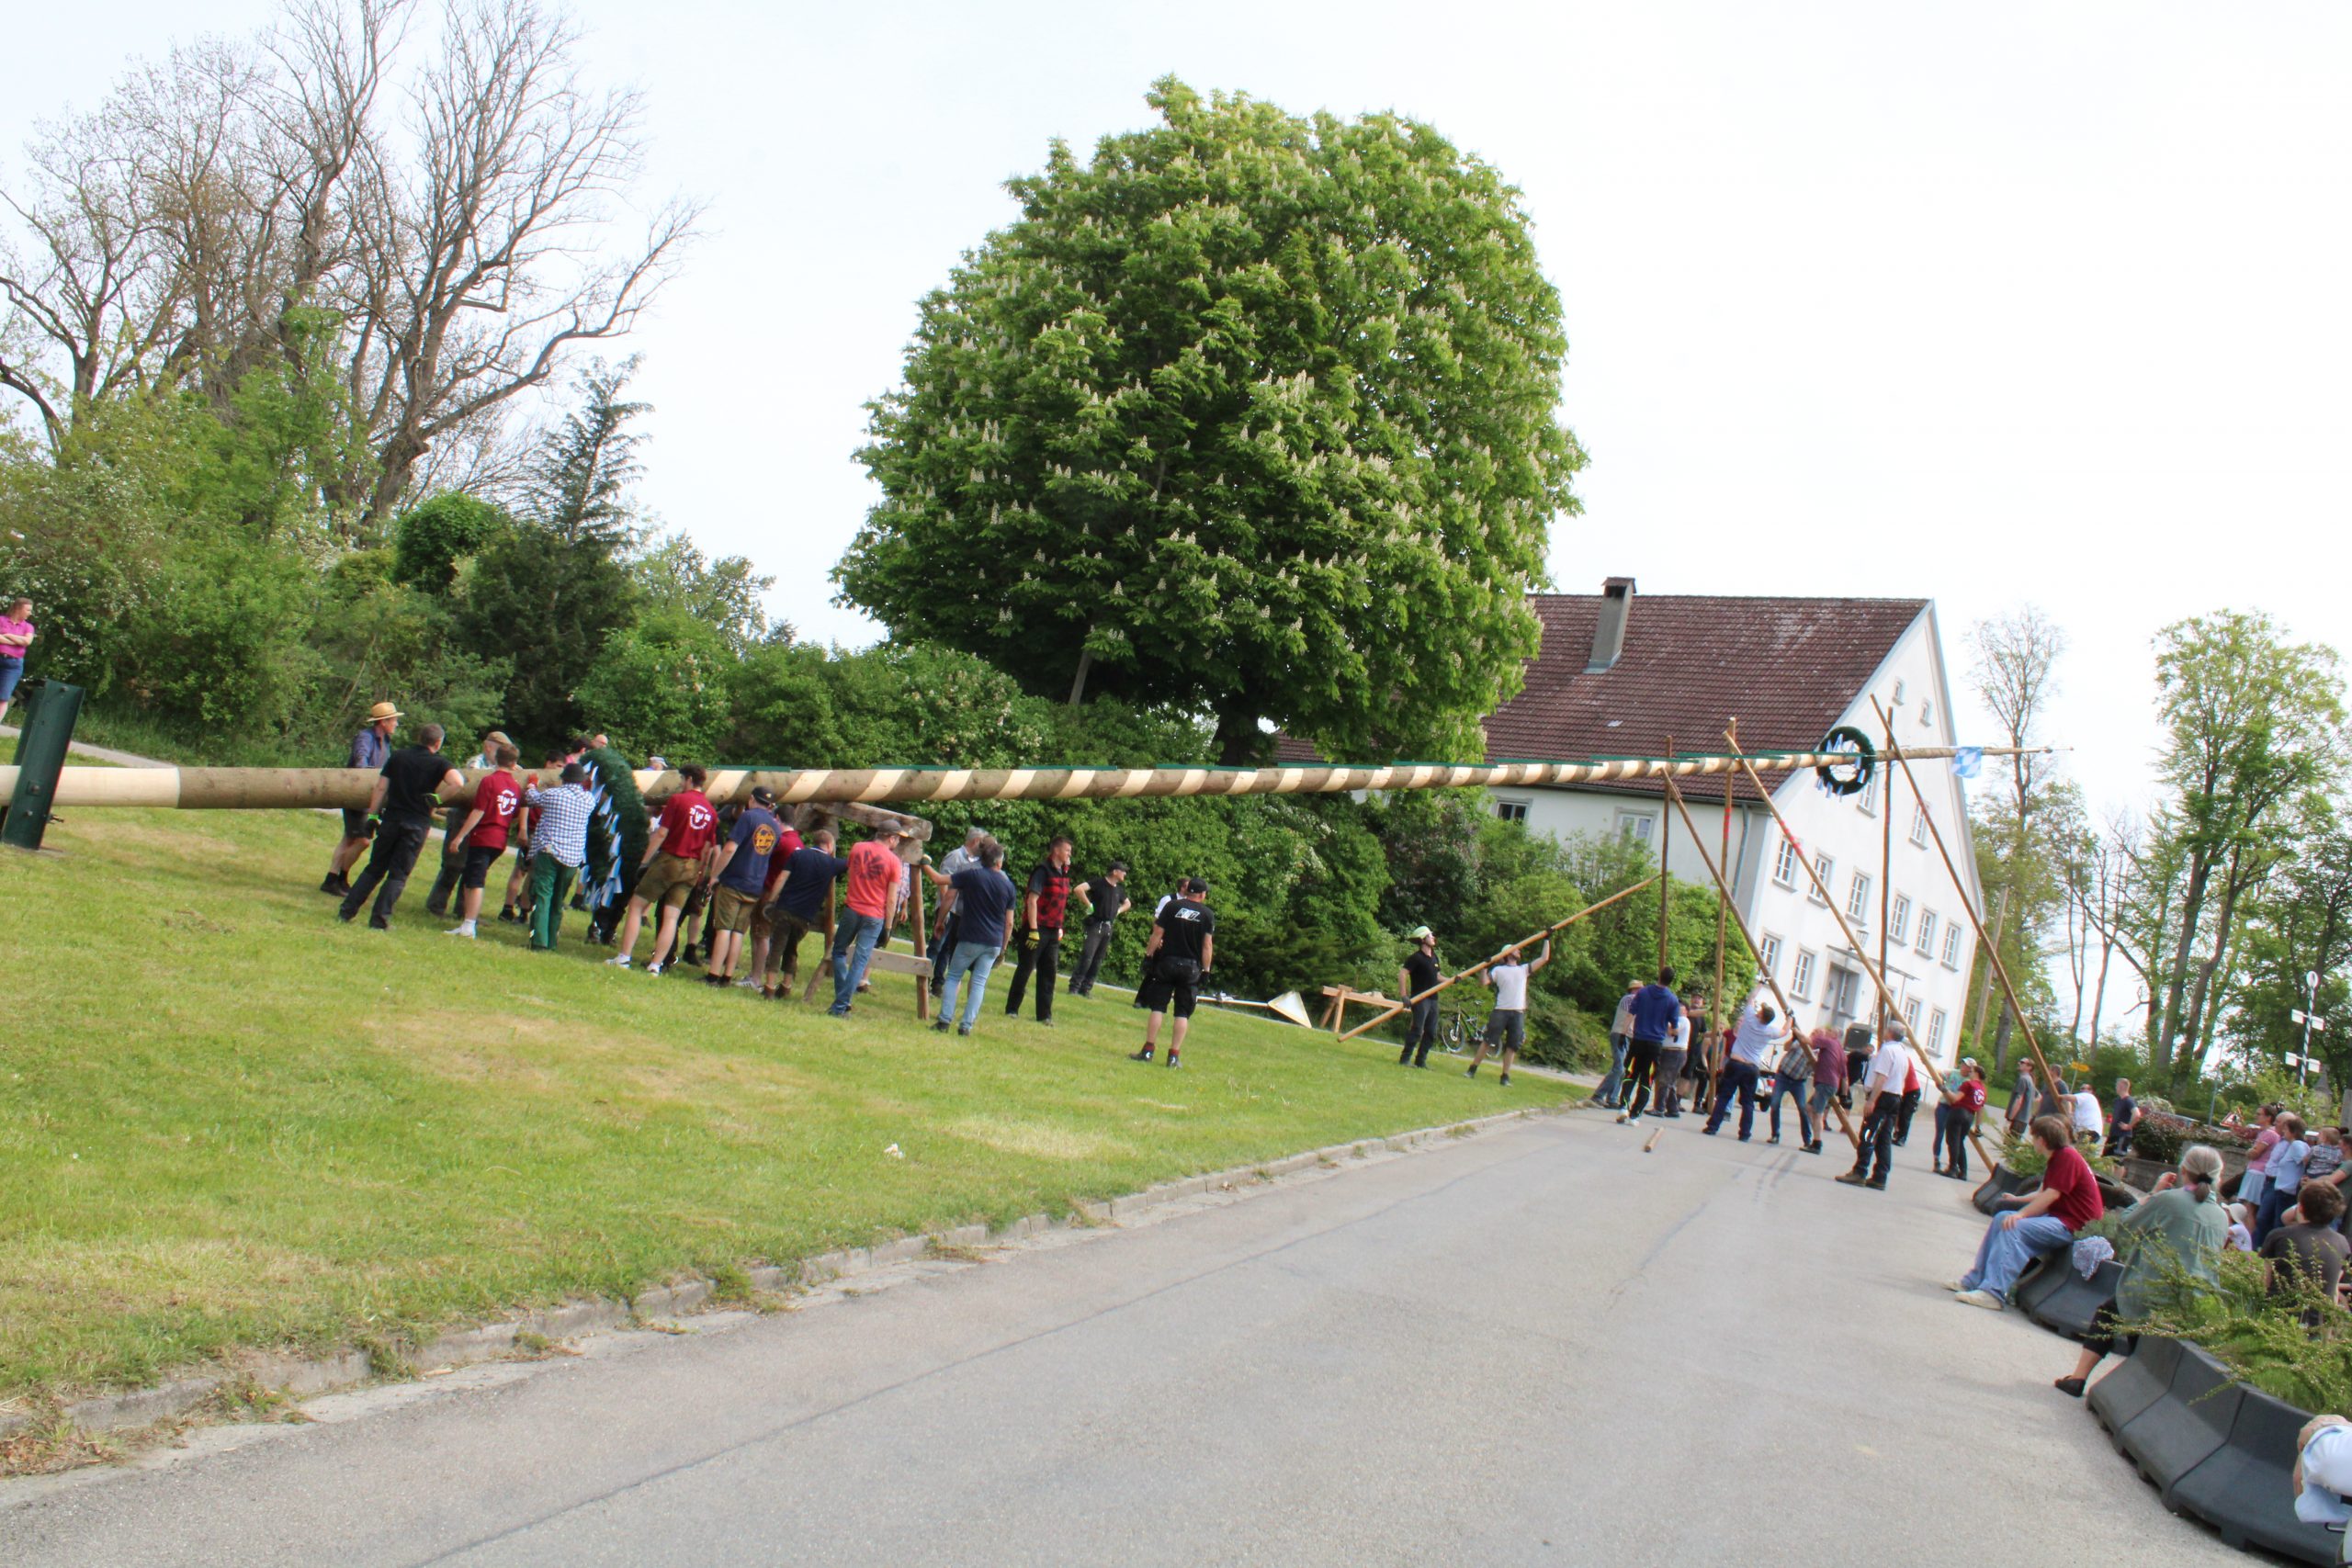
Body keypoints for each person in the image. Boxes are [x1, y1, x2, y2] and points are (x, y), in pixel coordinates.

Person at [2053, 1145, 2228, 1398]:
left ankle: (2078, 1378)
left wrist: (2153, 1193)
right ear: (2218, 1176)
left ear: (2183, 1170)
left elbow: (2126, 1223)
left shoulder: (2168, 1200)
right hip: (2195, 1300)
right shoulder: (2221, 1216)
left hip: (2151, 1291)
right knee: (2129, 1325)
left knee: (2110, 1314)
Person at [1948, 1114, 2105, 1309]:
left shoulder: (2067, 1158)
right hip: (2062, 1219)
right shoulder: (2060, 1157)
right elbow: (2044, 1193)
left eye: (2034, 1137)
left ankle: (1993, 1292)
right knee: (2002, 1218)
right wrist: (2017, 1201)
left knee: (2014, 1227)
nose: (2032, 1141)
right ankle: (1975, 1280)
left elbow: (2051, 1196)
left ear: (2042, 1140)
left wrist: (2021, 1215)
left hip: (2072, 1226)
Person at [336, 723, 463, 930]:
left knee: (374, 868)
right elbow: (458, 782)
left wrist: (372, 816)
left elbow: (381, 788)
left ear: (420, 738)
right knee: (398, 875)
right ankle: (379, 920)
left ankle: (346, 911)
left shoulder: (398, 756)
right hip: (416, 824)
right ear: (438, 742)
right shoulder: (440, 763)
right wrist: (438, 799)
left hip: (392, 819)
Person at [607, 764, 718, 974]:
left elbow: (661, 834)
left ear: (688, 779)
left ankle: (624, 957)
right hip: (692, 865)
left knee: (636, 905)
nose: (680, 783)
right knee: (672, 917)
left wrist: (644, 862)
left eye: (681, 779)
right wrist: (700, 872)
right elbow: (708, 848)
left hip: (670, 860)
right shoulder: (711, 811)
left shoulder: (677, 800)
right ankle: (656, 965)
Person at [926, 837, 1016, 1035]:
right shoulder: (1008, 886)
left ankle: (944, 1021)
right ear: (999, 862)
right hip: (993, 941)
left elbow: (939, 881)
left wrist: (923, 863)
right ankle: (966, 1026)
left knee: (953, 977)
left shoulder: (972, 875)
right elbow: (1009, 922)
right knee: (979, 983)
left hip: (970, 936)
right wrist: (1003, 947)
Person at [425, 730, 515, 919]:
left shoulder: (502, 768)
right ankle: (436, 905)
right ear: (489, 747)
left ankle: (463, 910)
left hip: (481, 822)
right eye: (500, 749)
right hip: (462, 817)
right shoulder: (476, 763)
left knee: (471, 866)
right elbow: (476, 783)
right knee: (453, 864)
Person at [702, 786, 785, 987]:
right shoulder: (775, 827)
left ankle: (713, 974)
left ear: (751, 799)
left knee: (724, 928)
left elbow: (730, 848)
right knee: (738, 932)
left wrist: (715, 875)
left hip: (735, 880)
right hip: (755, 885)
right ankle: (727, 976)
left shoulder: (748, 817)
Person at [1003, 835, 1090, 1026]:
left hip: (1053, 929)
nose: (1070, 854)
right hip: (1037, 927)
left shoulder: (1063, 873)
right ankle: (1012, 1009)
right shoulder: (1042, 871)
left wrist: (1059, 927)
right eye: (1067, 850)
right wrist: (1033, 929)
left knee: (1049, 972)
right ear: (1056, 850)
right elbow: (1032, 900)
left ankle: (1044, 1015)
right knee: (1026, 968)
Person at [439, 742, 523, 939]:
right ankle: (466, 922)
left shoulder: (489, 781)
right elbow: (514, 814)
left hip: (484, 836)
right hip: (501, 838)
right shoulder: (515, 786)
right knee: (471, 878)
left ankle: (469, 925)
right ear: (514, 764)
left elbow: (479, 811)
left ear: (496, 759)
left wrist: (460, 836)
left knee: (475, 880)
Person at [1130, 877, 1215, 1067]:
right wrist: (1206, 970)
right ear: (1202, 894)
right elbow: (1207, 945)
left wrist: (1148, 956)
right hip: (1190, 968)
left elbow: (1157, 933)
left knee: (1158, 1008)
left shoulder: (1172, 906)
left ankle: (1148, 1050)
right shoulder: (1207, 914)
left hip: (1167, 963)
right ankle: (1174, 1056)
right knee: (1182, 1013)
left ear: (1188, 890)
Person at [829, 821, 910, 1016]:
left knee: (838, 952)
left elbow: (851, 872)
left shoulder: (857, 848)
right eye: (898, 839)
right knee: (860, 961)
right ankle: (841, 1004)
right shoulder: (894, 862)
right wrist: (888, 928)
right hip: (874, 915)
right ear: (891, 838)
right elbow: (891, 899)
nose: (898, 842)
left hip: (852, 909)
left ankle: (842, 1000)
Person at [322, 701, 401, 895]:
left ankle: (331, 879)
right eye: (394, 720)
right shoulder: (365, 737)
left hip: (369, 798)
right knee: (362, 840)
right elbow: (361, 763)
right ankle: (341, 878)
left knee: (349, 839)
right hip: (356, 796)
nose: (397, 724)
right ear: (383, 722)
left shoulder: (386, 741)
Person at [514, 762, 593, 950]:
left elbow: (532, 798)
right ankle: (551, 942)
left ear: (563, 779)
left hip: (549, 852)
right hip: (573, 858)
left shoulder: (553, 794)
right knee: (558, 900)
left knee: (542, 896)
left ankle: (538, 941)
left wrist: (532, 783)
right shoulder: (589, 800)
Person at [765, 828, 849, 998]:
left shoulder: (798, 855)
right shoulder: (832, 864)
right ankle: (786, 986)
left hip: (785, 908)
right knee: (792, 949)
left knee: (776, 948)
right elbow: (851, 862)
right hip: (805, 915)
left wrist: (771, 900)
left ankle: (769, 986)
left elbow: (782, 878)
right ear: (829, 845)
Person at [1836, 1020, 1913, 1190]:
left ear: (1890, 1032)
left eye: (1886, 1030)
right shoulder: (1902, 1052)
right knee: (1884, 1138)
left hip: (1882, 1096)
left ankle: (1860, 1171)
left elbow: (1882, 1077)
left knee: (1868, 1134)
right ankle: (1880, 1176)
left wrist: (1872, 1100)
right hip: (1895, 1096)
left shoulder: (1887, 1050)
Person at [1708, 987, 1791, 1142]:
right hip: (1752, 1067)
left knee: (1724, 1096)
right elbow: (1785, 1031)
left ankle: (1712, 1127)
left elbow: (1751, 998)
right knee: (1748, 1102)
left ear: (1760, 1015)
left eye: (1760, 1011)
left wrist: (1760, 984)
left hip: (1736, 1063)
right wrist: (1789, 1016)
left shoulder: (1750, 1019)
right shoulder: (1769, 1031)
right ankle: (1745, 1133)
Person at [1465, 939, 1550, 1088]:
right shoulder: (1498, 970)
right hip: (1501, 1011)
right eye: (1516, 949)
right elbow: (1483, 982)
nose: (1519, 951)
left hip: (1517, 1013)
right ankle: (1472, 1069)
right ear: (1508, 954)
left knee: (1512, 1045)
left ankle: (1505, 1076)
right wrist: (1484, 967)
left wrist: (1547, 939)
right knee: (1487, 1041)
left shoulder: (1524, 969)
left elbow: (1544, 958)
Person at [2262, 1180, 2350, 1323]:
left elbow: (2264, 1281)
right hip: (2317, 1325)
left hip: (2277, 1320)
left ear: (2301, 1207)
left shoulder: (2279, 1236)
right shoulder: (2342, 1243)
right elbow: (2333, 1291)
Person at [1614, 967, 1684, 1125]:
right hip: (1655, 1045)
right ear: (1671, 981)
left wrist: (1623, 1033)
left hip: (1638, 1041)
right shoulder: (1672, 1000)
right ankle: (1635, 1115)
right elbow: (1674, 1028)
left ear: (1659, 976)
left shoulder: (1643, 993)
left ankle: (1623, 1107)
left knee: (1631, 1074)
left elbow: (1631, 1014)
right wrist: (1675, 1032)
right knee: (1647, 1079)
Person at [924, 827, 988, 996]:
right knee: (937, 946)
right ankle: (924, 979)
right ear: (975, 841)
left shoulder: (973, 862)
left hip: (957, 912)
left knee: (946, 950)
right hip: (949, 910)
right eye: (982, 843)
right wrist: (946, 910)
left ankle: (938, 984)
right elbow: (943, 884)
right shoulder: (955, 856)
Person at [1066, 862, 1132, 998]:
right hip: (1095, 925)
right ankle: (1074, 986)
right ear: (1115, 871)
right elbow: (1078, 889)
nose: (1125, 873)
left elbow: (1128, 903)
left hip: (1108, 927)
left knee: (1098, 960)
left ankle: (1086, 988)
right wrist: (1089, 905)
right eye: (1123, 871)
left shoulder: (1119, 890)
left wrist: (1118, 911)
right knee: (1087, 957)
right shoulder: (1099, 883)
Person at [2256, 1112, 2312, 1246]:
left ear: (2293, 1132)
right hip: (2281, 1189)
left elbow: (2305, 1162)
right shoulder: (2293, 1145)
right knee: (2273, 1221)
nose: (2284, 1132)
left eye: (2286, 1130)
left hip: (2287, 1190)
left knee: (2279, 1223)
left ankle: (2275, 1250)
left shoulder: (2297, 1145)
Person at [1396, 926, 1443, 1068]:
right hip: (1420, 999)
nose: (1433, 937)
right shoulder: (1416, 958)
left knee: (1431, 1032)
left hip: (1433, 1000)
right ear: (1423, 940)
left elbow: (1438, 976)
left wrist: (1453, 980)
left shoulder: (1434, 957)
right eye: (1430, 935)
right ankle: (1405, 1059)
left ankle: (1420, 1061)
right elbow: (1402, 974)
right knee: (1417, 1030)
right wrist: (1404, 995)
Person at [1593, 981, 1639, 1109]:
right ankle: (1598, 1095)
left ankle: (1612, 1098)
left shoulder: (1636, 1000)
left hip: (1627, 1036)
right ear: (1634, 990)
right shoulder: (1629, 998)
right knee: (1619, 1068)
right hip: (1619, 1034)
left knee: (1623, 1069)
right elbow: (1634, 1012)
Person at [1941, 1062, 1990, 1180]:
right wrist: (1978, 1126)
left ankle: (1952, 1169)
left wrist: (1945, 1090)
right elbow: (1980, 1110)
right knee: (1960, 1142)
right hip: (1970, 1116)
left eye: (1971, 1071)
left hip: (1959, 1112)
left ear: (1976, 1073)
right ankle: (1963, 1171)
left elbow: (1955, 1098)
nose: (1969, 1073)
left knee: (1953, 1141)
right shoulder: (1982, 1090)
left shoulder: (1968, 1084)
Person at [1653, 996, 1692, 1117]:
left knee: (1665, 1080)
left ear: (1686, 1010)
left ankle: (1659, 1108)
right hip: (1669, 1051)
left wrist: (1665, 1020)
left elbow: (1673, 1032)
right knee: (1670, 1081)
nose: (1678, 1008)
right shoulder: (1674, 1019)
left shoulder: (1683, 1020)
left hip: (1675, 1052)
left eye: (1681, 1006)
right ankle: (1672, 1109)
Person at [2241, 1104, 2284, 1214]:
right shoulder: (2265, 1132)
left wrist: (2250, 1151)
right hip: (2258, 1171)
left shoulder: (2269, 1133)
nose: (2256, 1116)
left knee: (2248, 1207)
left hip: (2258, 1172)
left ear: (2268, 1117)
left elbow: (2255, 1153)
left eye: (2259, 1114)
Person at [1806, 1025, 1845, 1146]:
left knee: (1818, 1113)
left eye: (1829, 1031)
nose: (1827, 1032)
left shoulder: (1829, 1042)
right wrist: (1844, 1093)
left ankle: (1817, 1142)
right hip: (1830, 1083)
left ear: (1835, 1035)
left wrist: (1796, 1031)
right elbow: (1844, 1074)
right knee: (1809, 1107)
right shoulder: (1840, 1050)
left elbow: (1807, 1040)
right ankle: (1813, 1133)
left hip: (1825, 1083)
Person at [0, 594, 34, 727]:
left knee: (3, 696)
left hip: (13, 665)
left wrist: (8, 635)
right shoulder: (2, 620)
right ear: (18, 608)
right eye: (28, 610)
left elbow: (27, 641)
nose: (30, 613)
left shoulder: (28, 627)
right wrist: (17, 641)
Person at [2106, 1077, 2141, 1159]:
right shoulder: (2117, 1101)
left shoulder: (2129, 1101)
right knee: (2106, 1158)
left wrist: (2128, 1126)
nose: (2115, 1087)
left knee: (2117, 1160)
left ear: (2121, 1086)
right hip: (2113, 1135)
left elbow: (2137, 1114)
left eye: (2116, 1085)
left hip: (2122, 1135)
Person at [1894, 1054, 1923, 1145]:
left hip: (1912, 1090)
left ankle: (1902, 1138)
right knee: (1899, 1113)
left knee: (1906, 1115)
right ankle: (1898, 1134)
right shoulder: (1901, 1058)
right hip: (1904, 1090)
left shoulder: (1905, 1059)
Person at [2071, 1081, 2107, 1145]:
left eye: (2084, 1088)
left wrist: (2059, 1096)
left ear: (2090, 1091)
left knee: (2081, 1148)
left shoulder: (2088, 1096)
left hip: (2090, 1130)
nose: (2082, 1090)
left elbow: (2069, 1097)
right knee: (2081, 1149)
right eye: (2081, 1088)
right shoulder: (2084, 1102)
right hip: (2090, 1131)